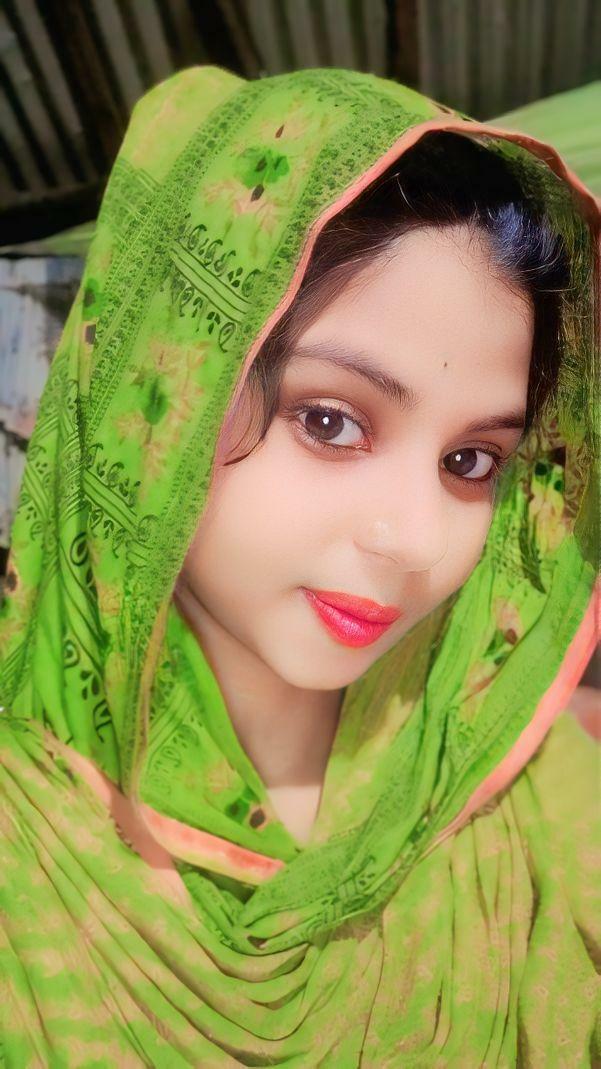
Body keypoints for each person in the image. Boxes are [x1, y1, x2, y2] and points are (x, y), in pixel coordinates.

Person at [0, 65, 598, 1066]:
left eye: (469, 462)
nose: (416, 539)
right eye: (328, 421)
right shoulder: (25, 848)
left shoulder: (510, 773)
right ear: (158, 392)